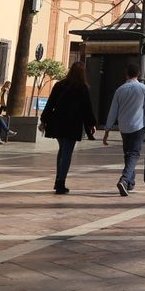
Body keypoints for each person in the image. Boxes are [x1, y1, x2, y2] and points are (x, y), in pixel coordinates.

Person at [40, 62, 97, 195]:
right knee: (67, 152)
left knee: (62, 150)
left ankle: (58, 179)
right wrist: (91, 124)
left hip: (58, 122)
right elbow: (87, 108)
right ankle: (61, 182)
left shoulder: (59, 85)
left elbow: (50, 103)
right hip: (73, 123)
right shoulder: (82, 87)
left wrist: (44, 119)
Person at [102, 63, 145, 196]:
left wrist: (107, 130)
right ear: (138, 74)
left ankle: (130, 183)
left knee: (128, 153)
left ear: (126, 74)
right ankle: (125, 179)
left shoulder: (120, 90)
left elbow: (113, 111)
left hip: (124, 127)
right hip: (138, 126)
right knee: (134, 154)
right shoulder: (144, 89)